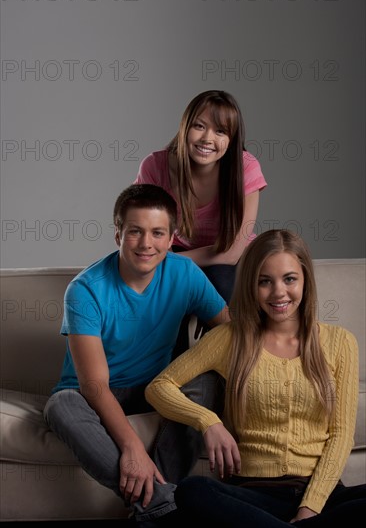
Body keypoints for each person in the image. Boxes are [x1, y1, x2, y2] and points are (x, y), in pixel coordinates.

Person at [145, 229, 365, 526]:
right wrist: (208, 422)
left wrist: (309, 508)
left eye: (289, 279)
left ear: (305, 280)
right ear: (251, 284)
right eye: (265, 281)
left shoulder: (340, 343)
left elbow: (340, 435)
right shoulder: (230, 338)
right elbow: (159, 387)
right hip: (252, 497)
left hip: (320, 497)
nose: (278, 293)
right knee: (192, 491)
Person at [43, 183, 230, 526]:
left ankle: (155, 508)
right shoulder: (85, 289)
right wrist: (131, 448)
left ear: (172, 237)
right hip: (93, 396)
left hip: (156, 388)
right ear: (118, 235)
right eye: (135, 232)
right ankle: (163, 505)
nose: (147, 244)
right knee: (60, 406)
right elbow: (95, 385)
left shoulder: (185, 274)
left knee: (206, 381)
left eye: (158, 233)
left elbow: (231, 332)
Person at [134, 89, 267, 304]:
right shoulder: (155, 166)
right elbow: (139, 224)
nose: (207, 139)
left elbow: (232, 252)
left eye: (221, 131)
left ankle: (220, 338)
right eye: (199, 126)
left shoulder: (246, 167)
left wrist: (166, 260)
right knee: (163, 293)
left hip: (229, 255)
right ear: (185, 127)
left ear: (232, 139)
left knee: (221, 284)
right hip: (176, 250)